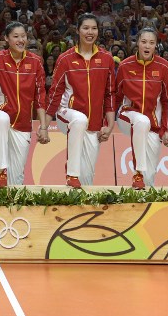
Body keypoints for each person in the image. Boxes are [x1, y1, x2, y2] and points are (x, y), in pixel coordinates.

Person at [0, 21, 50, 187]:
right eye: (16, 36)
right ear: (6, 39)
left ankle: (11, 205)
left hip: (23, 123)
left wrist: (43, 126)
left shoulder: (35, 62)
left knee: (18, 177)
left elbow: (41, 95)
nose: (21, 40)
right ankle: (2, 170)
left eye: (23, 36)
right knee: (3, 119)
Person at [46, 13, 116, 189]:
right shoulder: (65, 58)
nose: (89, 32)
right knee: (79, 120)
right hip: (66, 115)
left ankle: (80, 205)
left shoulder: (106, 58)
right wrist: (44, 126)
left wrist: (110, 124)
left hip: (94, 125)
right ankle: (71, 173)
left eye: (93, 28)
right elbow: (55, 93)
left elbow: (109, 94)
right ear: (77, 31)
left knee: (87, 178)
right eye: (85, 28)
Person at [114, 27, 168, 190]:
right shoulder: (125, 66)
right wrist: (105, 122)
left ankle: (144, 191)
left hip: (153, 126)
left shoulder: (164, 67)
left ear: (156, 45)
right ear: (137, 44)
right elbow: (115, 96)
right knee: (141, 121)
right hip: (127, 116)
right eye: (143, 42)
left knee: (150, 176)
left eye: (151, 43)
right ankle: (138, 174)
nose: (147, 46)